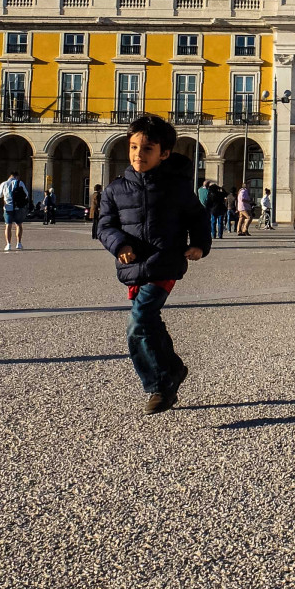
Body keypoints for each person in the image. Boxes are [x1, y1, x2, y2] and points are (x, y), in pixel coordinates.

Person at [95, 113, 210, 415]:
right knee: (150, 322)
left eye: (147, 149)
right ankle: (174, 368)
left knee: (138, 323)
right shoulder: (114, 190)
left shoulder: (176, 188)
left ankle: (160, 386)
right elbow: (104, 226)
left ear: (164, 153)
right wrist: (119, 244)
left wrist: (199, 245)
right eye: (133, 147)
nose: (138, 154)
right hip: (133, 268)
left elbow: (197, 217)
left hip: (165, 263)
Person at [0, 170, 30, 251]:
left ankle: (8, 244)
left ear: (10, 176)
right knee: (19, 225)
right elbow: (26, 194)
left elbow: (0, 195)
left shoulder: (4, 184)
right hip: (18, 207)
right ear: (16, 176)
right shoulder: (20, 183)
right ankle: (19, 243)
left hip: (8, 207)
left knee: (8, 225)